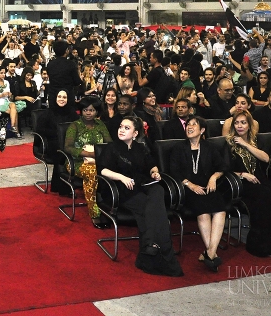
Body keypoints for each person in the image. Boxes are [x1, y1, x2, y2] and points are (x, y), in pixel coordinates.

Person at [99, 116, 183, 276]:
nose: (121, 130)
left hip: (141, 185)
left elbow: (152, 165)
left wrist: (155, 172)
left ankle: (151, 243)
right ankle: (155, 250)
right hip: (119, 189)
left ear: (135, 133)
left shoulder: (140, 148)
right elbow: (102, 170)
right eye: (121, 127)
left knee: (158, 190)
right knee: (153, 209)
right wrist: (122, 177)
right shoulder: (112, 147)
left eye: (126, 128)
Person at [225, 110, 271, 258]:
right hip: (241, 183)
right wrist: (243, 174)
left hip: (260, 179)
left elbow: (266, 159)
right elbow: (225, 170)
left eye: (243, 122)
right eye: (237, 123)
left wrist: (246, 144)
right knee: (264, 196)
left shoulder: (257, 140)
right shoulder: (228, 143)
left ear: (249, 125)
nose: (240, 126)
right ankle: (259, 244)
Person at [169, 116, 227, 272]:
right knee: (203, 212)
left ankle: (209, 253)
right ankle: (212, 254)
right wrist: (190, 184)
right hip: (187, 190)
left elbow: (222, 166)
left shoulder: (209, 147)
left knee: (220, 210)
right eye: (188, 124)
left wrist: (214, 178)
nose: (189, 127)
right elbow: (173, 171)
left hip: (207, 188)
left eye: (194, 125)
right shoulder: (179, 148)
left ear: (202, 130)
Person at [63, 96, 113, 227]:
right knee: (93, 173)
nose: (88, 113)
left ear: (97, 111)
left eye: (91, 110)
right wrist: (90, 154)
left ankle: (110, 208)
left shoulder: (100, 125)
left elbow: (110, 143)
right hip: (77, 162)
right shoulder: (75, 126)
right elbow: (67, 147)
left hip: (99, 161)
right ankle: (95, 213)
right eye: (85, 110)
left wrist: (100, 155)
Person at [34, 89, 79, 194]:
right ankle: (63, 187)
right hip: (49, 143)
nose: (61, 99)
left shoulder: (72, 113)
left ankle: (73, 182)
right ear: (55, 98)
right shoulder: (47, 113)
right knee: (61, 150)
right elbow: (40, 131)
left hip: (68, 143)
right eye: (59, 97)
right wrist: (58, 133)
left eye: (64, 97)